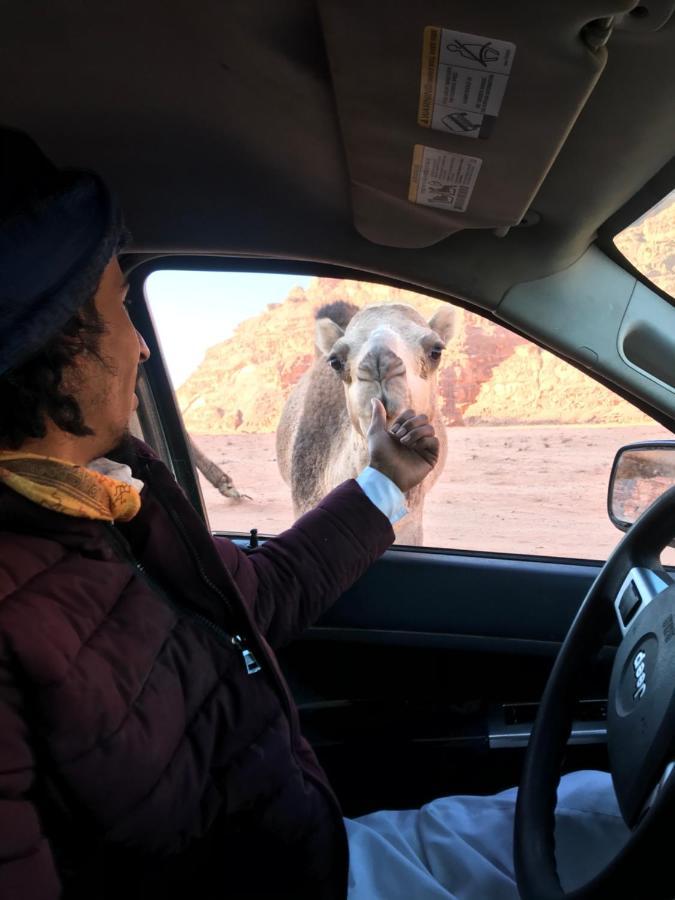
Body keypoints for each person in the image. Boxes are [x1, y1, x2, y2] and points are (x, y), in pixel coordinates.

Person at [0, 128, 629, 900]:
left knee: (617, 809)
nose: (143, 349)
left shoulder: (117, 497)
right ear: (55, 343)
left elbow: (253, 596)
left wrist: (387, 482)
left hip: (305, 851)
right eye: (119, 310)